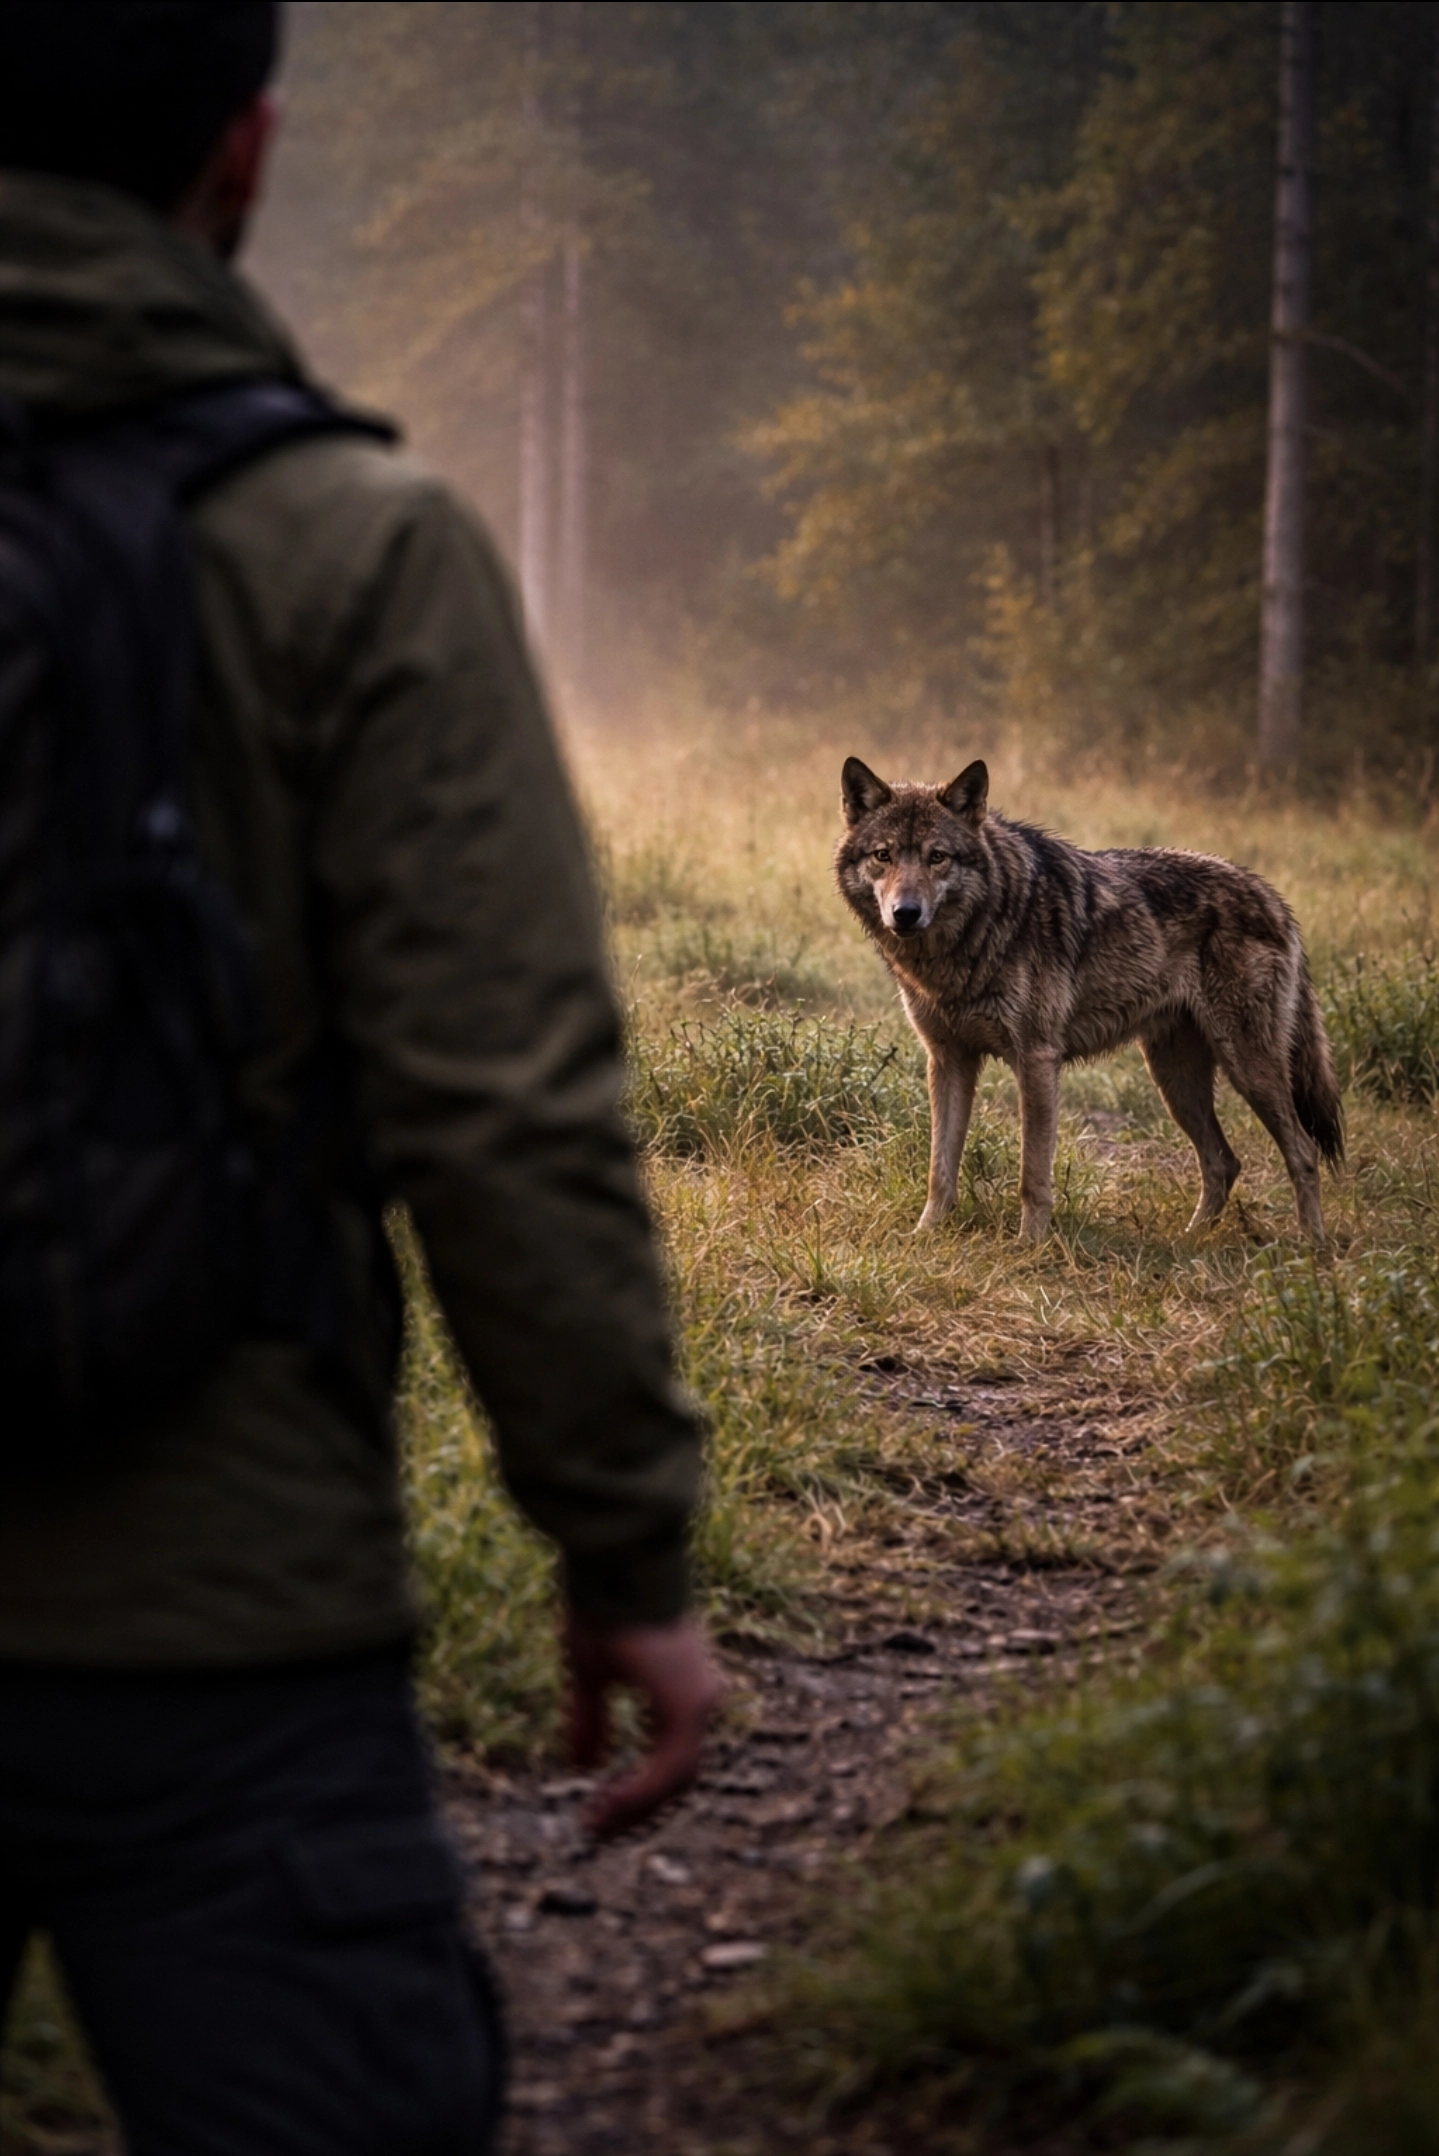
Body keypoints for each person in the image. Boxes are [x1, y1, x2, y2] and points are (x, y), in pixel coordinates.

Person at [0, 4, 721, 2149]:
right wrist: (625, 1546)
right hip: (223, 1611)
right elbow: (503, 1105)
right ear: (246, 148)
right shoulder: (350, 543)